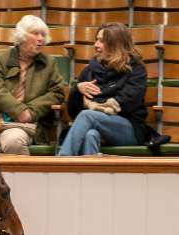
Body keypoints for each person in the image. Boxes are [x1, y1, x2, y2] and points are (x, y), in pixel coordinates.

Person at [0, 15, 66, 155]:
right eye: (35, 33)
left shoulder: (49, 64)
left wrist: (31, 112)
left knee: (14, 142)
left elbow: (57, 92)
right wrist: (19, 110)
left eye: (43, 35)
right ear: (22, 36)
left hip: (21, 125)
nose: (41, 38)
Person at [58, 23, 152, 156]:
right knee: (90, 135)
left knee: (87, 115)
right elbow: (74, 113)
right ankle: (90, 169)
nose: (96, 45)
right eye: (96, 40)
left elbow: (126, 103)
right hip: (97, 126)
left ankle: (62, 160)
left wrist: (92, 105)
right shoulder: (89, 71)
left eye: (101, 41)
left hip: (130, 129)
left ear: (116, 44)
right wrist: (77, 91)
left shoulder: (136, 69)